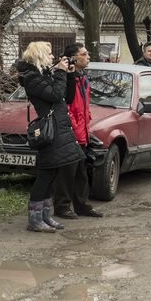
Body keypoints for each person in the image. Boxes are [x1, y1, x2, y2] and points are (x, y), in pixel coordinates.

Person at [16, 41, 85, 232]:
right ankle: (35, 219)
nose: (54, 57)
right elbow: (55, 95)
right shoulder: (32, 78)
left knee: (53, 173)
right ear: (40, 55)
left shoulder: (44, 75)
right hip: (50, 131)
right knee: (46, 174)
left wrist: (69, 75)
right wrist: (61, 73)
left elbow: (67, 97)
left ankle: (45, 216)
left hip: (59, 129)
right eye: (49, 53)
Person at [53, 43, 104, 219]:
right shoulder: (68, 78)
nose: (88, 56)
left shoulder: (83, 77)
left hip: (81, 130)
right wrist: (74, 128)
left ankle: (81, 204)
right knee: (67, 171)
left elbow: (84, 107)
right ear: (74, 58)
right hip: (70, 130)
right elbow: (67, 104)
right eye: (84, 54)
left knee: (81, 170)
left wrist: (86, 126)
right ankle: (62, 206)